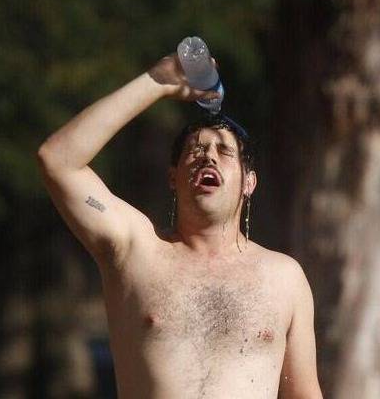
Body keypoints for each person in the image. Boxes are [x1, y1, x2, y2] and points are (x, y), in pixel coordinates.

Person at [37, 53, 323, 398]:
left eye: (224, 151)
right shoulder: (136, 252)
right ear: (173, 178)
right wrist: (155, 83)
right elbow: (58, 161)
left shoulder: (284, 278)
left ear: (249, 182)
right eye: (195, 150)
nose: (208, 156)